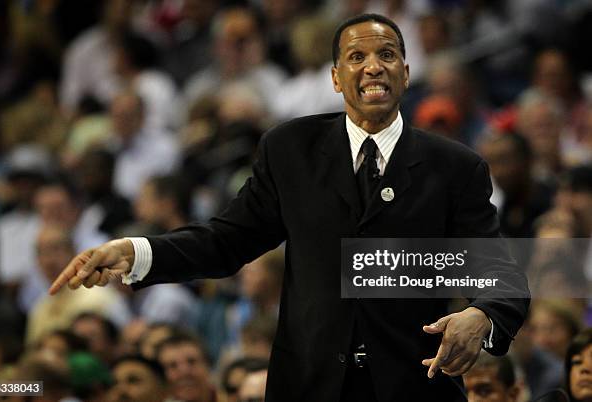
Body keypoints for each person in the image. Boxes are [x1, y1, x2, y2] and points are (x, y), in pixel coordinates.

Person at [50, 13, 529, 401]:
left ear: (406, 71)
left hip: (414, 386)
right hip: (309, 385)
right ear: (336, 78)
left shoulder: (455, 167)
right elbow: (226, 241)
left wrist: (483, 316)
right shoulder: (290, 149)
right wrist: (137, 252)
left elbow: (502, 277)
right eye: (356, 57)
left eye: (387, 55)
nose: (373, 66)